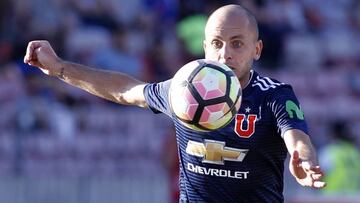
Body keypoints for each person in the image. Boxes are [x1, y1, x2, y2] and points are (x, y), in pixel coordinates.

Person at [24, 4, 326, 203]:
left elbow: (295, 136)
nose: (225, 54)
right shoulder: (185, 89)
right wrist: (60, 67)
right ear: (205, 46)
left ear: (256, 49)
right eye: (217, 44)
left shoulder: (273, 94)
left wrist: (303, 156)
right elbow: (126, 90)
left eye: (237, 43)